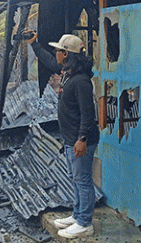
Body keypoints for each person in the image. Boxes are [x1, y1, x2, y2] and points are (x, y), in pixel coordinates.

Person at [25, 31, 100, 239]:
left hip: (80, 139)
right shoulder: (68, 72)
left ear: (66, 54)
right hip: (70, 139)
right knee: (75, 178)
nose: (55, 53)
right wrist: (34, 43)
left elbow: (88, 114)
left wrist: (82, 139)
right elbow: (48, 60)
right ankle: (77, 215)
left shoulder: (80, 81)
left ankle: (85, 223)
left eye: (58, 50)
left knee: (83, 180)